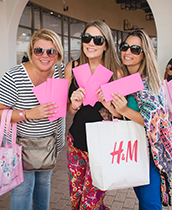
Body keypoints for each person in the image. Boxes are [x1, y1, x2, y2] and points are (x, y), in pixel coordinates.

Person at [0, 29, 65, 210]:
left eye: (51, 51)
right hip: (19, 146)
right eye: (39, 50)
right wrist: (28, 114)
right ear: (31, 52)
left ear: (58, 55)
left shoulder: (61, 72)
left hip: (49, 144)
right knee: (23, 189)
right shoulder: (14, 76)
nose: (45, 56)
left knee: (44, 184)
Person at [108, 29, 172, 208]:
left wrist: (124, 109)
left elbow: (155, 121)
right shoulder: (127, 79)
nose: (128, 52)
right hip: (134, 149)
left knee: (150, 202)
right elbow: (121, 115)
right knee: (143, 199)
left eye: (135, 49)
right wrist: (108, 104)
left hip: (150, 153)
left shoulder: (150, 81)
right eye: (125, 47)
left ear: (144, 54)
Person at [65, 20, 123, 209]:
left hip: (104, 145)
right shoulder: (72, 67)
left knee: (90, 202)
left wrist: (109, 105)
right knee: (76, 198)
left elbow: (122, 115)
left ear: (106, 44)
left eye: (98, 39)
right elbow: (68, 110)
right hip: (77, 141)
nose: (91, 43)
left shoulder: (117, 72)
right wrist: (73, 104)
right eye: (86, 38)